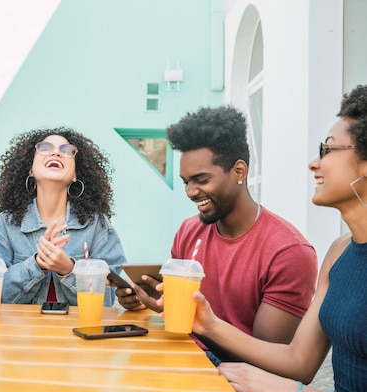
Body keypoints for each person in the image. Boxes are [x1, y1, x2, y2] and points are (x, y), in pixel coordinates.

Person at [152, 85, 367, 392]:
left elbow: (292, 378)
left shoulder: (290, 249)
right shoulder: (339, 252)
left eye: (327, 150)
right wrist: (208, 324)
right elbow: (298, 360)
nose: (313, 163)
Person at [116, 106, 318, 362]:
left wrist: (199, 325)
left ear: (239, 172)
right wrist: (154, 302)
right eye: (185, 181)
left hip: (242, 381)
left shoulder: (289, 253)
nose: (190, 192)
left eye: (201, 180)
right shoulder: (189, 231)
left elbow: (267, 361)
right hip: (185, 359)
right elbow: (182, 324)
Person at [0, 127, 126, 306]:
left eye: (66, 151)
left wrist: (69, 270)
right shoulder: (4, 225)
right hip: (19, 334)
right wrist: (36, 264)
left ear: (75, 175)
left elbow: (107, 300)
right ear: (30, 171)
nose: (57, 153)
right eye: (45, 148)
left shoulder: (98, 226)